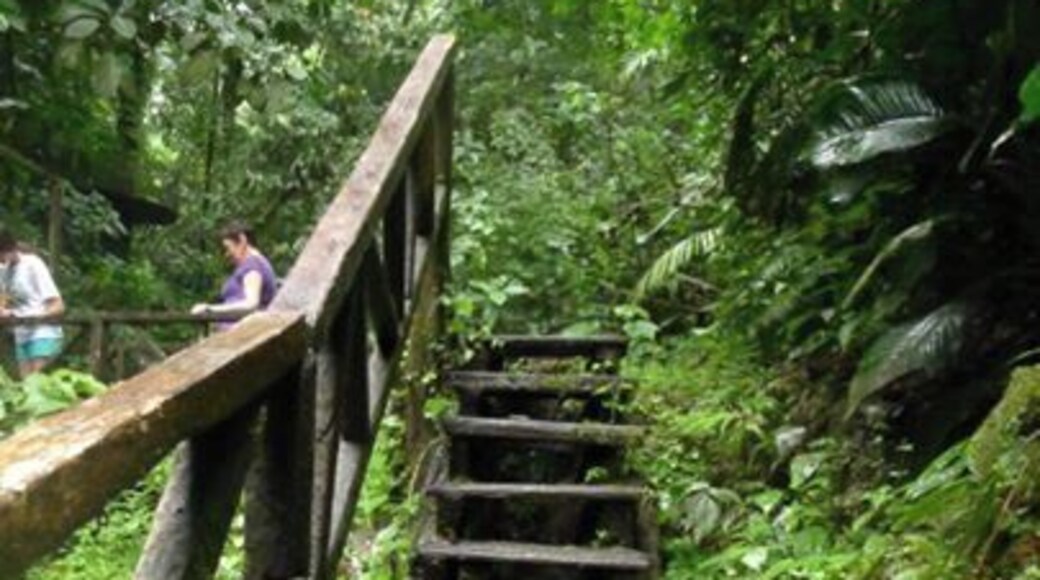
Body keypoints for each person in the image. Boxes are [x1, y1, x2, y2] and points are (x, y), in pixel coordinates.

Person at [0, 229, 65, 378]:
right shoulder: (3, 271)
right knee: (26, 386)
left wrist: (34, 316)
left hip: (43, 330)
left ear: (11, 249)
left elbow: (58, 305)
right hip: (21, 332)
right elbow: (3, 299)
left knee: (37, 384)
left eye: (2, 256)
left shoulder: (32, 264)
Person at [191, 222, 278, 328]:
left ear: (242, 240)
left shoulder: (252, 265)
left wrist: (210, 309)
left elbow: (251, 303)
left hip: (243, 336)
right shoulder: (254, 264)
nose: (227, 255)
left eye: (227, 248)